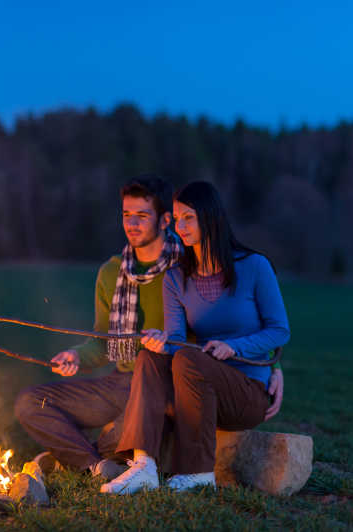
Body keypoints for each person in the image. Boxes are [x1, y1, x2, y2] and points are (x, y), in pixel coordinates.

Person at [101, 181, 290, 495]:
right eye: (176, 219)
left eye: (188, 218)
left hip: (246, 393)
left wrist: (235, 347)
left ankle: (198, 473)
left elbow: (279, 329)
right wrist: (163, 342)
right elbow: (177, 341)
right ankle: (143, 466)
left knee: (190, 357)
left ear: (210, 217)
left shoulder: (254, 266)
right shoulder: (176, 278)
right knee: (150, 355)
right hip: (197, 391)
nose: (180, 226)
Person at [15, 175, 186, 478]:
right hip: (120, 381)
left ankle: (83, 456)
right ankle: (96, 463)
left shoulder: (187, 268)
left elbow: (225, 324)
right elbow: (102, 341)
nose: (131, 224)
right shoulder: (111, 272)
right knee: (30, 404)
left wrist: (273, 368)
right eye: (126, 215)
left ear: (165, 221)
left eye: (142, 216)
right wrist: (77, 356)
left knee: (122, 434)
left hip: (164, 384)